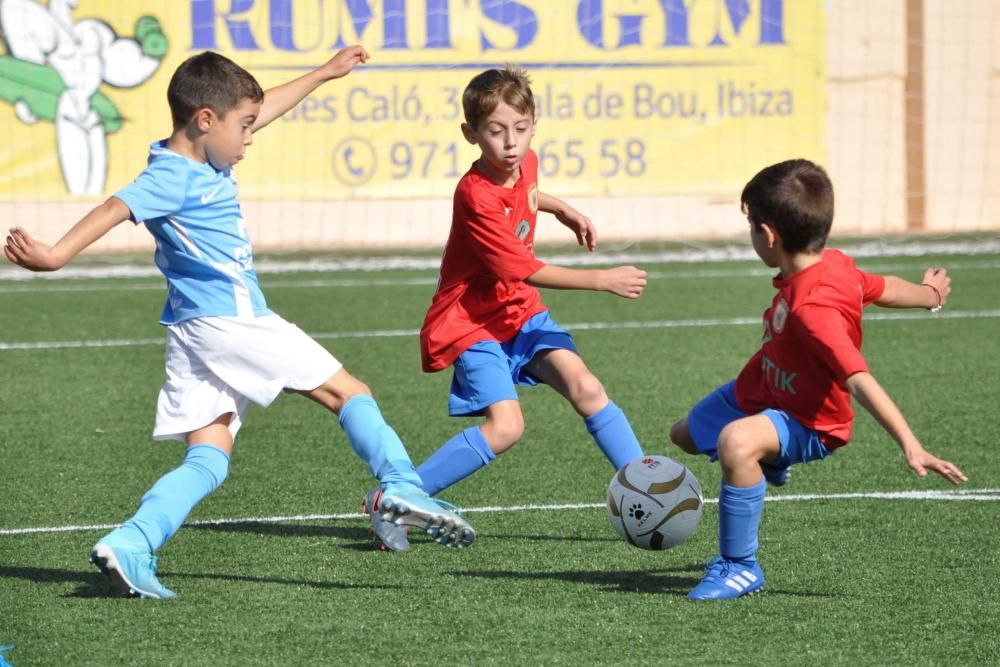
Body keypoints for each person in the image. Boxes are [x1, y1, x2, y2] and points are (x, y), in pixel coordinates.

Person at [2, 47, 475, 600]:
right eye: (244, 127)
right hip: (232, 320)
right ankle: (401, 483)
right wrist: (57, 254)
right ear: (206, 121)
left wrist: (323, 74)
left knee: (209, 456)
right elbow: (116, 207)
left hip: (191, 330)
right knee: (347, 392)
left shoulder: (205, 154)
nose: (251, 136)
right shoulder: (172, 176)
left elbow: (261, 106)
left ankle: (132, 541)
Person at [362, 65, 648, 551]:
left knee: (587, 386)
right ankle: (395, 497)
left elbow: (527, 193)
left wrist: (560, 208)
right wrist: (601, 279)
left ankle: (647, 487)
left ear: (534, 123)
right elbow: (525, 269)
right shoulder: (472, 195)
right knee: (507, 426)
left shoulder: (526, 162)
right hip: (472, 321)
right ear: (471, 134)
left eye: (519, 129)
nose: (510, 143)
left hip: (518, 312)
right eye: (495, 132)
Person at [667, 158, 967, 601]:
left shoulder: (815, 312)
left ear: (768, 235)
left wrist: (910, 443)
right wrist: (929, 295)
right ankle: (768, 460)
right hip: (761, 387)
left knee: (736, 443)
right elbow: (882, 287)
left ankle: (739, 566)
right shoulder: (837, 265)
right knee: (684, 437)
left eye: (751, 226)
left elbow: (859, 379)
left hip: (811, 420)